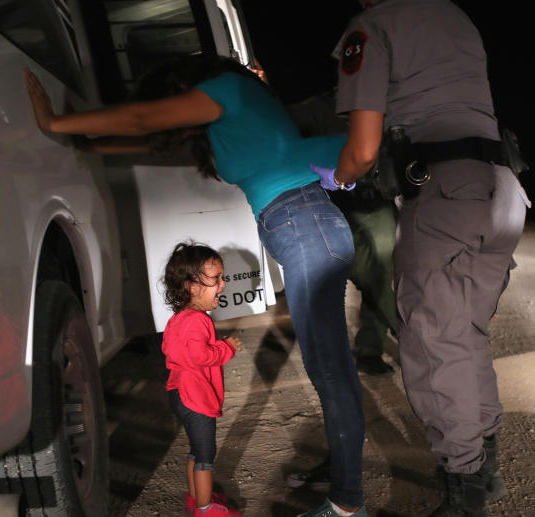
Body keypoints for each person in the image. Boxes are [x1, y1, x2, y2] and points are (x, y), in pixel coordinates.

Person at [25, 55, 367, 516]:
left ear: (184, 85)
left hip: (305, 222)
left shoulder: (231, 89)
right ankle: (346, 492)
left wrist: (54, 119)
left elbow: (143, 118)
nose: (177, 109)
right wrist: (83, 144)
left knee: (329, 370)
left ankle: (347, 505)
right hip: (296, 226)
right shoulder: (227, 123)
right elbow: (148, 139)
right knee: (328, 368)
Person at [314, 1, 531, 515]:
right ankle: (486, 467)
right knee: (467, 338)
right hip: (504, 189)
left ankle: (464, 490)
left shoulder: (372, 26)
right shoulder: (456, 14)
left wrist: (340, 177)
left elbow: (364, 149)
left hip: (442, 191)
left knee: (434, 346)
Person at [288, 90, 399, 377]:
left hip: (374, 200)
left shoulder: (381, 104)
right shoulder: (313, 108)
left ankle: (371, 349)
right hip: (328, 201)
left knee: (380, 274)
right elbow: (286, 142)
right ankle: (412, 336)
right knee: (332, 276)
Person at [161, 243, 243, 516]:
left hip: (179, 393)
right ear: (192, 286)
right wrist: (226, 347)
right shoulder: (198, 321)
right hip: (195, 397)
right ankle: (206, 509)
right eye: (216, 278)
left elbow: (173, 351)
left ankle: (195, 498)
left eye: (222, 277)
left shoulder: (179, 319)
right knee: (206, 455)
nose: (222, 284)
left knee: (195, 451)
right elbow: (200, 356)